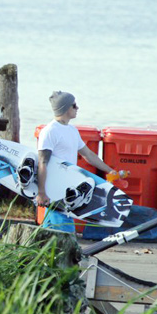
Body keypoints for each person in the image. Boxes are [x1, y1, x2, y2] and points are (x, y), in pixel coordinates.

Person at [36, 91, 116, 232]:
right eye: (74, 105)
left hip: (67, 188)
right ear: (66, 108)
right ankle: (69, 253)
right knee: (66, 232)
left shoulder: (72, 131)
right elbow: (42, 162)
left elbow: (89, 155)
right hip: (54, 190)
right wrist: (41, 192)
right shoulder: (49, 131)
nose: (77, 108)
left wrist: (109, 170)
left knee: (48, 233)